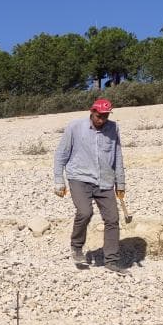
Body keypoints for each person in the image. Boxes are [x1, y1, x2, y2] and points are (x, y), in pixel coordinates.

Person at [53, 98, 127, 275]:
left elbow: (117, 156)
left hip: (105, 180)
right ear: (91, 112)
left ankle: (111, 261)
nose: (102, 119)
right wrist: (59, 180)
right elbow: (61, 154)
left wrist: (121, 182)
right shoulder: (75, 127)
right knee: (85, 212)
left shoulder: (113, 128)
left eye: (105, 116)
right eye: (99, 115)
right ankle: (77, 247)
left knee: (112, 219)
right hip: (79, 177)